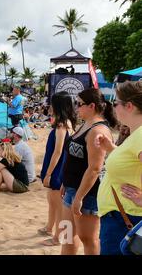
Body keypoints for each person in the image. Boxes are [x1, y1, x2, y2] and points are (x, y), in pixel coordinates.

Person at [60, 88, 117, 255]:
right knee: (67, 236)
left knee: (88, 239)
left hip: (87, 194)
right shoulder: (86, 124)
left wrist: (79, 198)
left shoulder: (97, 131)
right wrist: (66, 182)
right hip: (72, 189)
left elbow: (94, 169)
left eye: (79, 104)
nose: (77, 108)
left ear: (91, 106)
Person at [94, 81, 142, 255]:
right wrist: (110, 149)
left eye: (115, 103)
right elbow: (131, 164)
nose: (113, 107)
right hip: (121, 217)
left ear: (129, 106)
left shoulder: (140, 134)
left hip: (124, 218)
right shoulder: (135, 133)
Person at [38, 91, 76, 246]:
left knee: (57, 203)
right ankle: (49, 227)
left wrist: (48, 173)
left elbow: (58, 151)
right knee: (52, 200)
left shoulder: (62, 125)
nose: (50, 106)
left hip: (57, 169)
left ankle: (57, 238)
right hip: (58, 167)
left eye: (52, 104)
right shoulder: (66, 122)